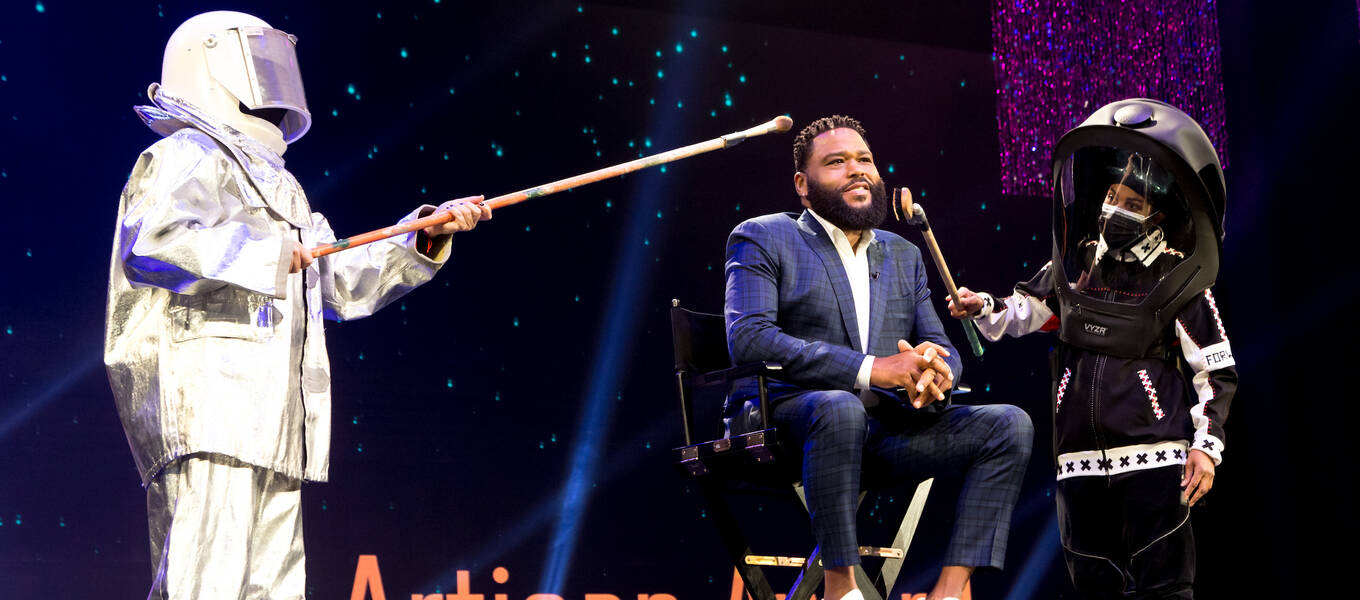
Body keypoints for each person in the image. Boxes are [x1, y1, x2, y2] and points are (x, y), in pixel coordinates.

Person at [103, 11, 489, 599]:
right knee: (206, 581)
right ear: (212, 65)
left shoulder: (281, 184)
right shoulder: (189, 152)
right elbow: (154, 241)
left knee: (273, 588)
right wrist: (268, 251)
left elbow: (331, 281)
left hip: (274, 419)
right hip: (212, 410)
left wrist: (421, 235)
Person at [724, 115, 1033, 600]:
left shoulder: (902, 253)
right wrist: (874, 369)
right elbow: (750, 338)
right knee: (839, 406)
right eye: (837, 163)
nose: (857, 170)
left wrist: (937, 370)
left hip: (884, 434)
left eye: (864, 159)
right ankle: (841, 589)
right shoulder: (763, 236)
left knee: (1009, 424)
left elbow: (941, 343)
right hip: (785, 423)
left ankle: (949, 591)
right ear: (803, 186)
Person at [947, 99, 1237, 599]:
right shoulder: (1077, 261)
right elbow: (1023, 311)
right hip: (1077, 461)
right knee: (1091, 588)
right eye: (1112, 194)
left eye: (1133, 203)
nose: (1115, 208)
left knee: (1166, 589)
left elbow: (1216, 373)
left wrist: (1206, 450)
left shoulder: (1179, 275)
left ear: (1157, 214)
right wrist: (981, 305)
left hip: (1155, 461)